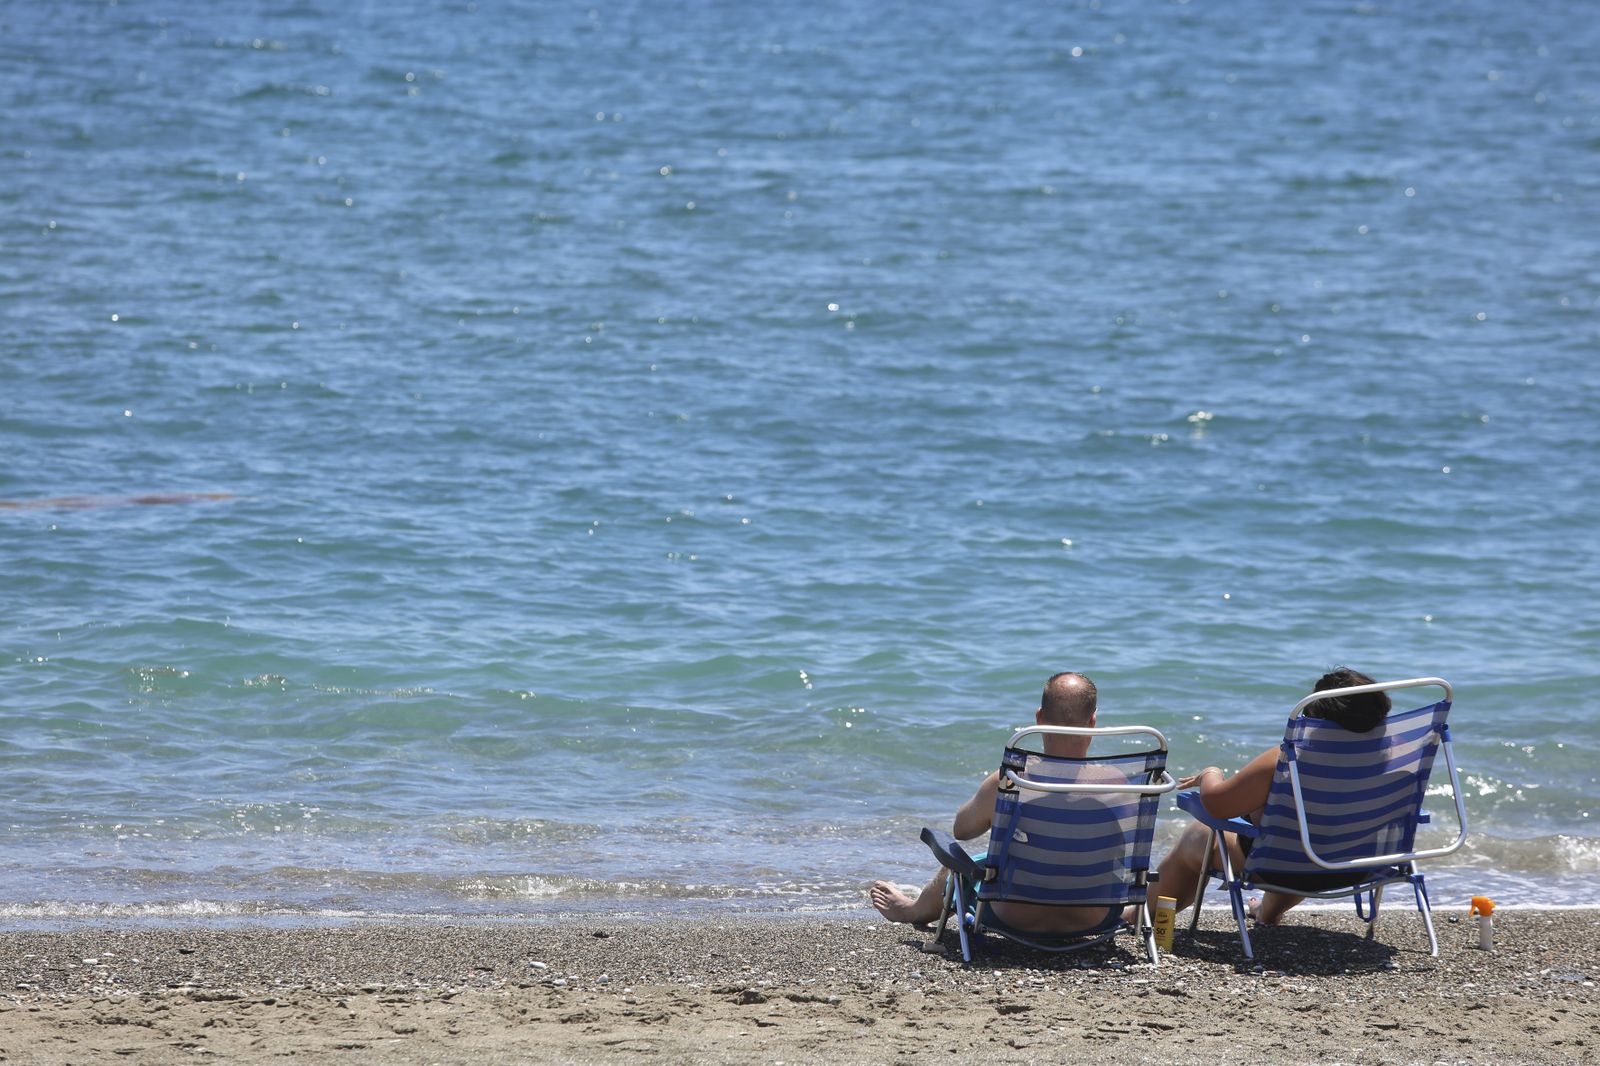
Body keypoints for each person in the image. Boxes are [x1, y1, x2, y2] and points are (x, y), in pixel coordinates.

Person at [868, 671, 1120, 935]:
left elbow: (962, 831)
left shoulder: (1009, 781)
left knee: (966, 863)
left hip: (1013, 916)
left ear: (1038, 718)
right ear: (1092, 722)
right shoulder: (1119, 785)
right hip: (1094, 918)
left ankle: (911, 910)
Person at [1137, 667, 1392, 926]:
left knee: (1199, 834)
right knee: (1301, 832)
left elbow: (1217, 804)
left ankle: (1139, 916)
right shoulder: (1395, 758)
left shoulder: (1288, 760)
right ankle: (1267, 912)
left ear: (1315, 717)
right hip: (1360, 867)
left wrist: (1210, 774)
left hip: (1285, 869)